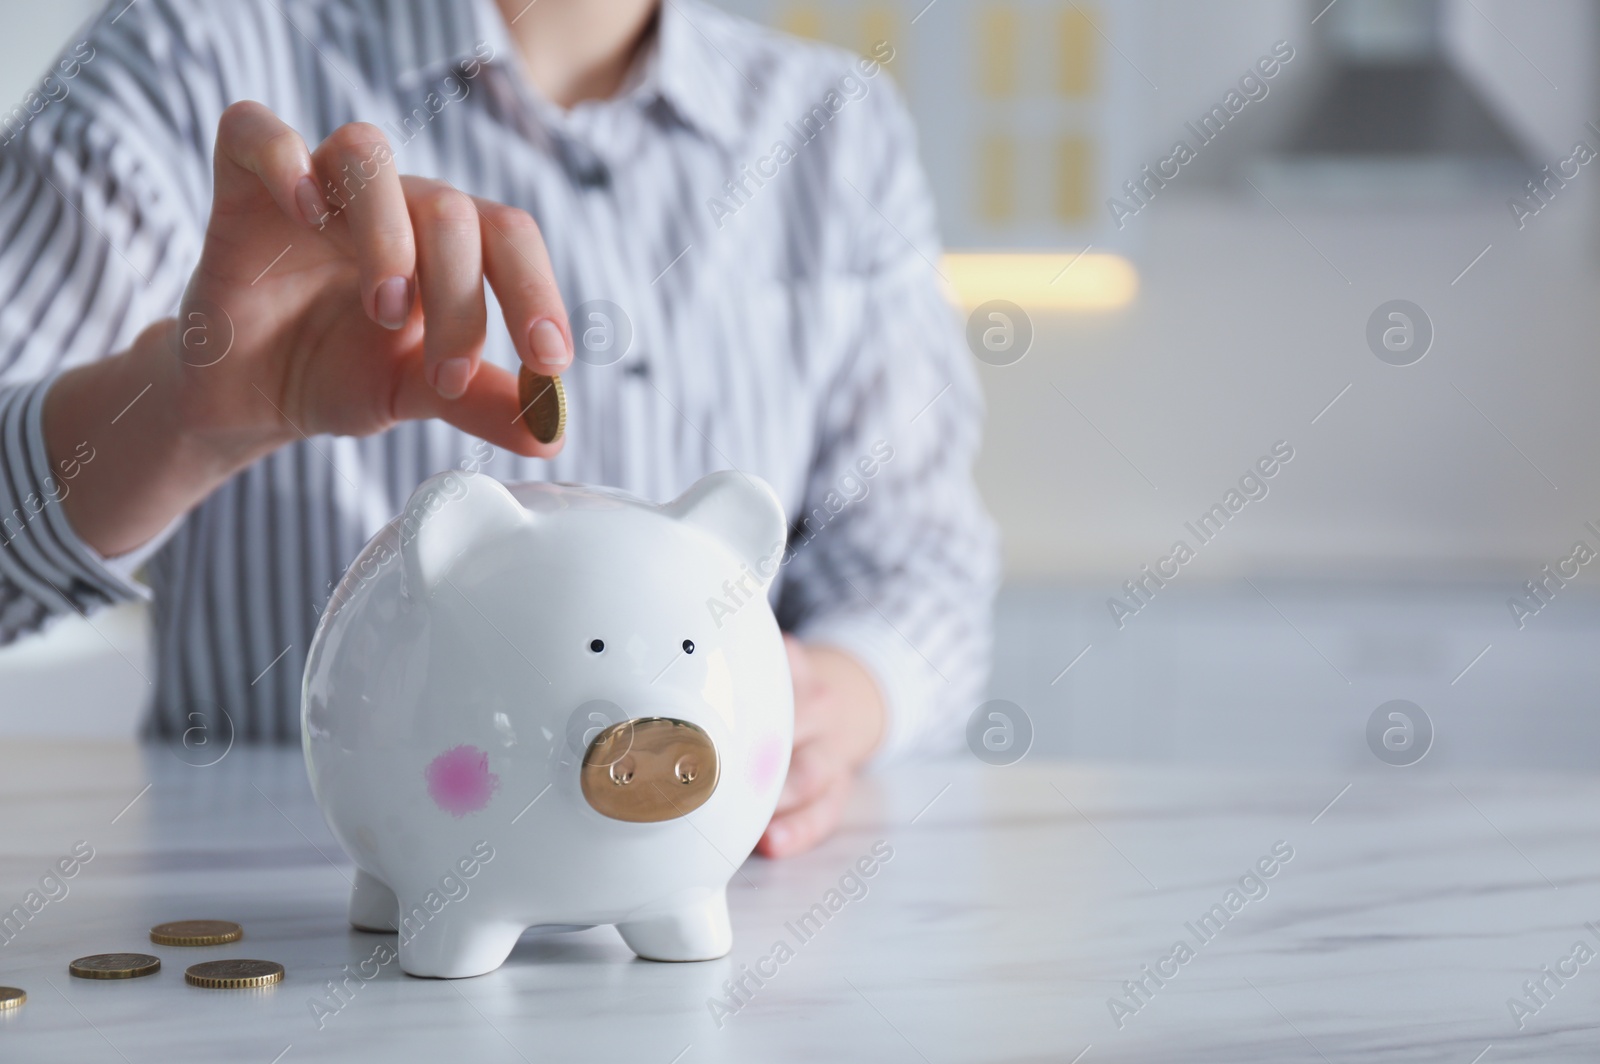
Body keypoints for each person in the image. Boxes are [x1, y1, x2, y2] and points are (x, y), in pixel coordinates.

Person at [0, 0, 997, 857]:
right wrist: (179, 417)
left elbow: (920, 569)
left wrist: (825, 701)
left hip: (717, 900)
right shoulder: (191, 58)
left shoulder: (834, 129)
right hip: (302, 919)